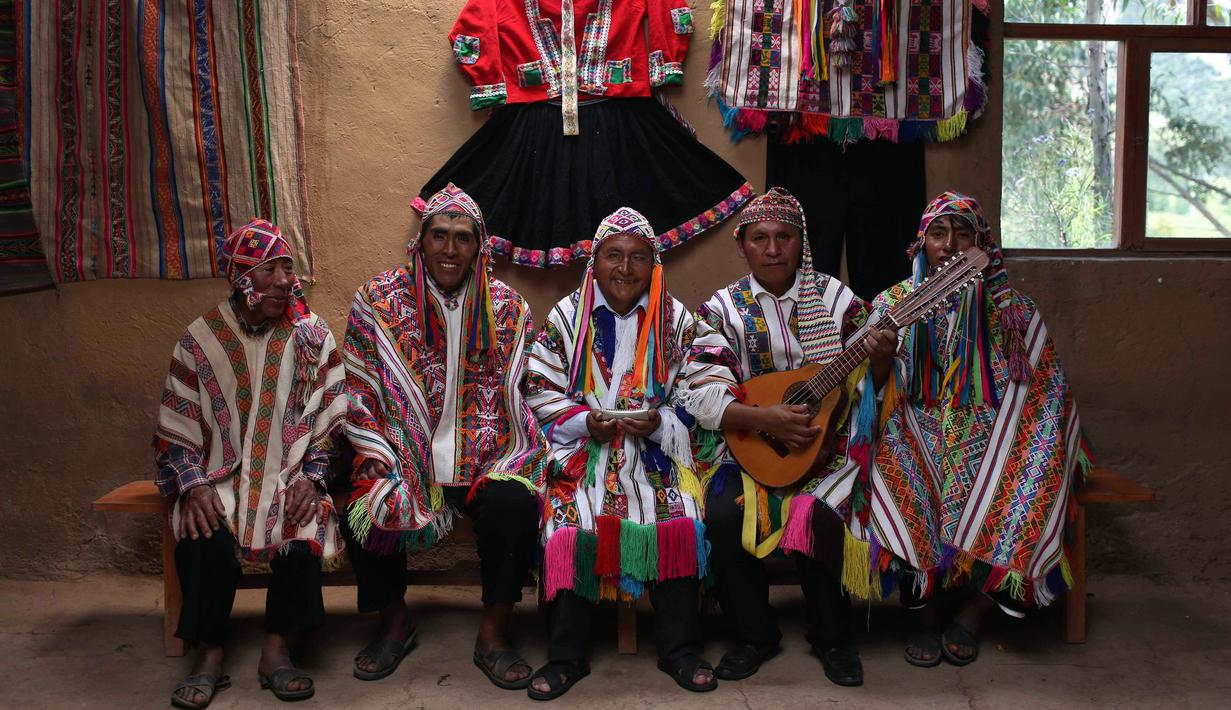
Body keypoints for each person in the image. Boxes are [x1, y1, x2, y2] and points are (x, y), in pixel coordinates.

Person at [864, 191, 1090, 667]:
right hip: (913, 433)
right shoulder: (891, 304)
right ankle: (922, 615)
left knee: (1030, 481)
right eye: (938, 234)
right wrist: (881, 360)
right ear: (920, 244)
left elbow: (1045, 394)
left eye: (963, 234)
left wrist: (1023, 446)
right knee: (889, 471)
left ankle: (974, 611)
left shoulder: (1014, 312)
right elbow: (871, 397)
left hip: (995, 440)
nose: (949, 245)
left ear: (982, 245)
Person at [682, 187, 896, 687]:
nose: (773, 249)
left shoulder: (837, 300)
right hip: (748, 448)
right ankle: (754, 635)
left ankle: (833, 636)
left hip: (828, 447)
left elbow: (869, 388)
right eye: (760, 238)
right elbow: (702, 393)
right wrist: (766, 420)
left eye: (784, 237)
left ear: (801, 243)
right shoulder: (721, 310)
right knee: (721, 513)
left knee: (818, 512)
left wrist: (881, 357)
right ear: (743, 246)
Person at [341, 184, 551, 689]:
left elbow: (526, 390)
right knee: (364, 503)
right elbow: (358, 383)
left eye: (463, 238)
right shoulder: (378, 300)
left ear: (480, 247)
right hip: (403, 452)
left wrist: (516, 454)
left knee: (514, 506)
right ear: (422, 240)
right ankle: (394, 623)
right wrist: (371, 448)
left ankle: (495, 634)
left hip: (487, 455)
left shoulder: (508, 309)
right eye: (440, 235)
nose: (450, 249)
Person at [522, 207, 715, 700]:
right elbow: (537, 388)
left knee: (678, 512)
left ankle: (680, 649)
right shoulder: (568, 318)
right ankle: (567, 656)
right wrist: (587, 420)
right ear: (595, 262)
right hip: (586, 453)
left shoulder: (677, 321)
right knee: (569, 521)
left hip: (656, 455)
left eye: (637, 258)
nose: (625, 269)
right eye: (614, 256)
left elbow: (704, 389)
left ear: (654, 265)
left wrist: (661, 423)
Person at [154, 219, 346, 708]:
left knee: (303, 526)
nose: (287, 280)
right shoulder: (199, 340)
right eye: (273, 270)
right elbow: (176, 425)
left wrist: (314, 478)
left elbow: (333, 414)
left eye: (289, 269)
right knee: (201, 530)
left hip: (289, 475)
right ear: (245, 280)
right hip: (219, 477)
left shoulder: (311, 337)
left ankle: (278, 649)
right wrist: (193, 485)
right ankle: (209, 652)